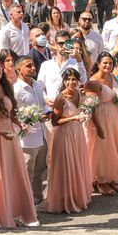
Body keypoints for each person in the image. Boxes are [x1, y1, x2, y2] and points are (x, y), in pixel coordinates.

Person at [0, 55, 38, 228]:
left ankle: (15, 212)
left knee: (13, 175)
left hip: (10, 138)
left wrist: (21, 123)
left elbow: (11, 113)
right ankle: (0, 217)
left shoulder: (8, 86)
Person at [84, 52, 118, 195]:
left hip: (113, 117)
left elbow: (114, 94)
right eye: (105, 63)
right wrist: (98, 126)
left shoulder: (112, 76)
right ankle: (101, 181)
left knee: (112, 147)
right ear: (98, 63)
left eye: (110, 63)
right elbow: (91, 107)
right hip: (100, 118)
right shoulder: (93, 82)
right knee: (101, 149)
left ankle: (110, 177)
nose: (108, 66)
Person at [45, 67, 92, 214]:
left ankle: (77, 196)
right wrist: (73, 118)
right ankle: (65, 200)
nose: (71, 82)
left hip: (77, 134)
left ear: (78, 81)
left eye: (74, 79)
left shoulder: (79, 94)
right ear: (64, 81)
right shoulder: (61, 98)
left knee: (77, 164)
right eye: (68, 79)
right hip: (64, 135)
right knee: (67, 166)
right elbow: (54, 122)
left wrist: (84, 113)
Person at [14, 56, 50, 205]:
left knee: (39, 171)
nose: (33, 68)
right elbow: (14, 114)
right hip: (26, 139)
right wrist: (26, 122)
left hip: (41, 134)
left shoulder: (38, 85)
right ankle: (24, 202)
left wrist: (47, 112)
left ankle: (37, 197)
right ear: (18, 69)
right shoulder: (16, 90)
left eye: (33, 65)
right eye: (28, 66)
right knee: (27, 171)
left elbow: (43, 104)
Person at [37, 30, 88, 104]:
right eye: (61, 43)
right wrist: (45, 99)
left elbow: (83, 81)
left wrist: (79, 59)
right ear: (55, 44)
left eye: (67, 43)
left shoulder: (76, 63)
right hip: (51, 107)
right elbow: (40, 87)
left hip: (71, 106)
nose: (64, 46)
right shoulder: (46, 65)